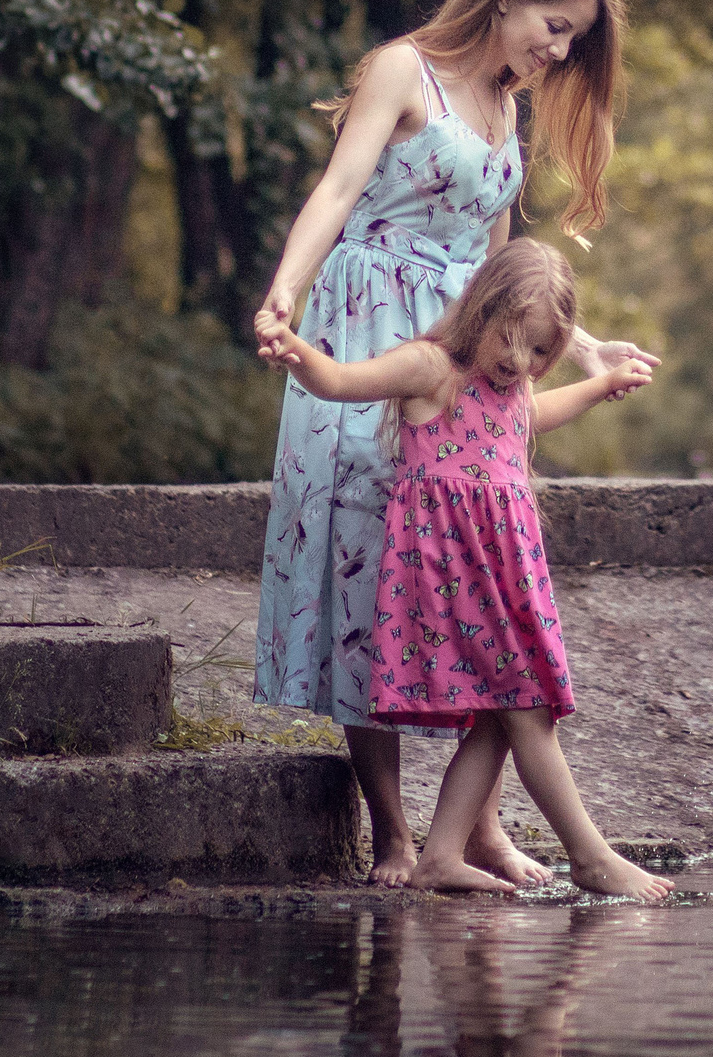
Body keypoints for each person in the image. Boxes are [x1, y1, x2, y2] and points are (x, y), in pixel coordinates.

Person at [251, 0, 654, 887]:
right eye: (553, 26)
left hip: (463, 357)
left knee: (471, 581)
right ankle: (392, 830)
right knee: (362, 561)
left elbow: (508, 262)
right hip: (366, 327)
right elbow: (340, 187)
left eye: (571, 38)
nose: (557, 51)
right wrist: (284, 291)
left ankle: (476, 829)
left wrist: (584, 346)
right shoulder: (404, 70)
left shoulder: (502, 108)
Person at [272, 239, 675, 899]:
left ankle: (443, 854)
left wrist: (600, 384)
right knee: (529, 705)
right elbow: (345, 382)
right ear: (483, 311)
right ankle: (591, 854)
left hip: (507, 574)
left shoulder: (511, 387)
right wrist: (299, 352)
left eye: (542, 351)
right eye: (513, 341)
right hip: (452, 574)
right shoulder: (432, 368)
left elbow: (531, 416)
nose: (523, 361)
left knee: (501, 710)